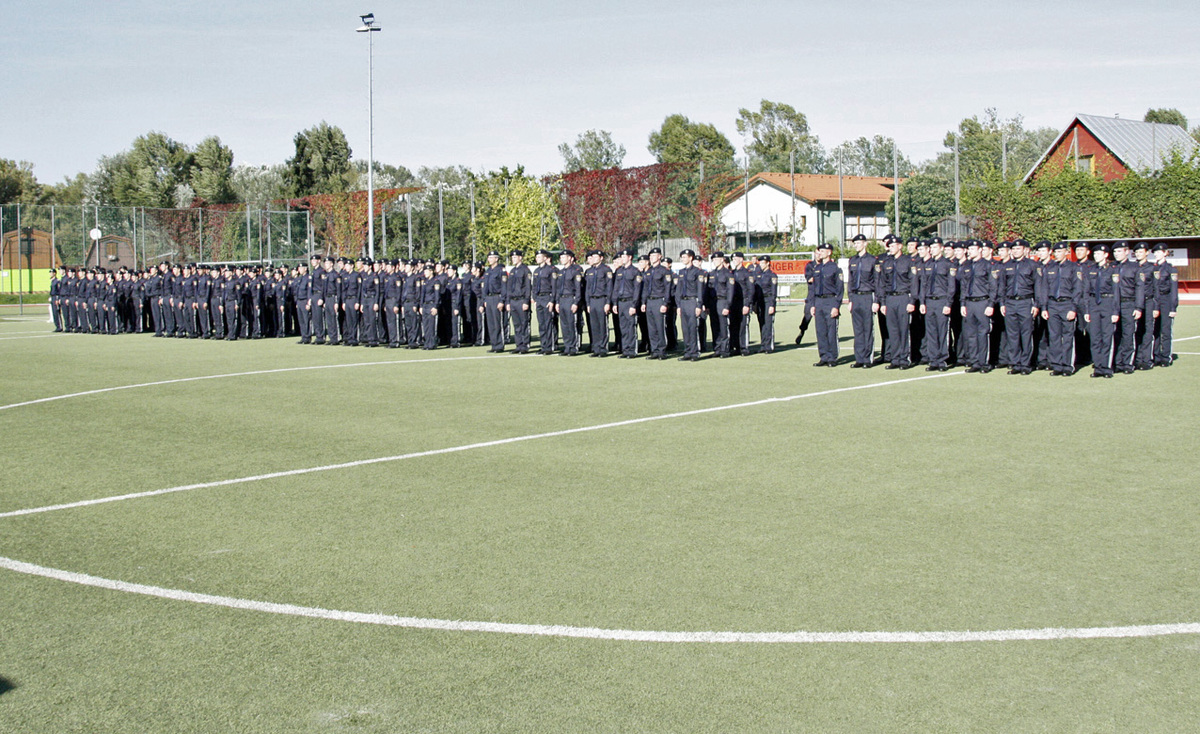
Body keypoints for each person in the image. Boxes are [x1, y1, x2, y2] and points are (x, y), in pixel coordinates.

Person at [1036, 241, 1082, 376]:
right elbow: (1044, 288)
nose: (1057, 254)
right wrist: (1044, 307)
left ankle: (1068, 365)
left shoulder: (1074, 268)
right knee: (1054, 336)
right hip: (1052, 304)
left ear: (1066, 252)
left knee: (1067, 336)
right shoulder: (1051, 267)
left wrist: (1073, 308)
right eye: (1055, 252)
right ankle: (1057, 365)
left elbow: (1077, 289)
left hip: (1067, 304)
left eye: (1060, 252)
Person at [997, 239, 1038, 374]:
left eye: (1018, 249)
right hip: (1010, 303)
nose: (1015, 251)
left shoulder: (1032, 265)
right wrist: (1002, 303)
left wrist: (1036, 304)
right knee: (1012, 335)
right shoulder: (1006, 265)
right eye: (1013, 249)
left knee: (1026, 334)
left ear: (1025, 250)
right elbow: (1002, 286)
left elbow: (1038, 286)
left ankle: (1026, 364)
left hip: (1025, 302)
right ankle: (1015, 363)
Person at [876, 236, 917, 369]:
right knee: (892, 330)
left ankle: (905, 359)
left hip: (903, 297)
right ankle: (895, 359)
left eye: (893, 245)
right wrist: (883, 302)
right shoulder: (886, 262)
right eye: (889, 246)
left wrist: (912, 301)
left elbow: (913, 283)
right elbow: (882, 284)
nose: (890, 248)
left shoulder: (908, 261)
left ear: (900, 246)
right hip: (890, 299)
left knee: (903, 329)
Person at [915, 238, 955, 371]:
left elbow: (951, 286)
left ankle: (942, 359)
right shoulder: (928, 264)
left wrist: (948, 303)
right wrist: (922, 302)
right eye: (931, 248)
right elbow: (924, 285)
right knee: (931, 331)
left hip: (942, 300)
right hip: (929, 301)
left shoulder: (948, 264)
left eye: (935, 247)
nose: (932, 250)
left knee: (942, 331)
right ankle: (933, 360)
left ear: (942, 248)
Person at [957, 240, 996, 373]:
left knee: (983, 333)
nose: (970, 251)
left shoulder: (988, 265)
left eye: (973, 249)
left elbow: (993, 286)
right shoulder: (966, 265)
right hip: (969, 303)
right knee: (971, 334)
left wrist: (991, 304)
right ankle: (974, 362)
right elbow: (963, 286)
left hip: (982, 302)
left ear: (980, 249)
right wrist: (962, 304)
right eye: (969, 249)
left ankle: (984, 362)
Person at [1083, 242, 1120, 378]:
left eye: (1099, 253)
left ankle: (1106, 367)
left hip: (1107, 303)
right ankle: (1098, 367)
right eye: (1095, 253)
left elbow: (1116, 292)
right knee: (1095, 337)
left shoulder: (1112, 269)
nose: (1096, 255)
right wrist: (1087, 310)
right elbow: (1086, 291)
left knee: (1107, 337)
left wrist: (1115, 311)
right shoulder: (1090, 269)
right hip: (1093, 304)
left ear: (1106, 255)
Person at [1111, 241, 1144, 374]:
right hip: (1113, 305)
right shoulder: (1112, 267)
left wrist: (1138, 307)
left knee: (1128, 334)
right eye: (1115, 252)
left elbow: (1140, 288)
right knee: (1115, 334)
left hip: (1129, 303)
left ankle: (1127, 363)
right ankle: (1117, 362)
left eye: (1119, 251)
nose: (1117, 254)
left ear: (1127, 252)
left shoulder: (1135, 267)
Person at [845, 234, 877, 368]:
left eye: (858, 243)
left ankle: (867, 358)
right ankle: (859, 358)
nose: (856, 245)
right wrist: (850, 299)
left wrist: (876, 301)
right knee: (857, 330)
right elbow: (851, 281)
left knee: (867, 328)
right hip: (856, 297)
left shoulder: (872, 260)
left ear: (865, 244)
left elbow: (877, 281)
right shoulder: (853, 260)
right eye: (855, 243)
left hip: (867, 296)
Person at [808, 242, 841, 366]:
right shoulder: (817, 268)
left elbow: (839, 289)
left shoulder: (835, 268)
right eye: (819, 251)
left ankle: (832, 357)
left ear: (829, 252)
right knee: (820, 331)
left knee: (831, 331)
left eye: (822, 251)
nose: (820, 253)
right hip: (818, 301)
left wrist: (836, 306)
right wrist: (812, 304)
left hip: (830, 300)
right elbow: (813, 288)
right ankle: (824, 356)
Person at [673, 248, 706, 361]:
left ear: (691, 258)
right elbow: (678, 290)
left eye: (684, 257)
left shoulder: (698, 272)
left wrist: (699, 305)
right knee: (685, 328)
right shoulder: (681, 272)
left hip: (693, 301)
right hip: (683, 302)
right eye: (682, 257)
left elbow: (700, 290)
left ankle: (694, 352)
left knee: (693, 328)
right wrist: (678, 305)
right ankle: (687, 352)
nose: (683, 259)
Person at [642, 247, 673, 359]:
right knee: (652, 328)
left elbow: (667, 288)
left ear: (660, 256)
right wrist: (643, 302)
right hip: (650, 301)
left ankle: (662, 351)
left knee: (660, 327)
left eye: (654, 255)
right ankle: (654, 351)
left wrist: (665, 303)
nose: (651, 258)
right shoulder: (648, 271)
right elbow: (645, 289)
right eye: (650, 256)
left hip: (659, 301)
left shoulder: (664, 271)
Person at [611, 249, 643, 358]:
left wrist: (634, 305)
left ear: (630, 257)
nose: (622, 259)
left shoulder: (635, 271)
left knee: (631, 327)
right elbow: (615, 289)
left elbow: (637, 290)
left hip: (630, 302)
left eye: (624, 257)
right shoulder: (620, 271)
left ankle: (632, 351)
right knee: (623, 327)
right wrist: (614, 303)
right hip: (621, 302)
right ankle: (625, 350)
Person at [1151, 243, 1179, 367]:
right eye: (1155, 252)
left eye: (1159, 252)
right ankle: (1156, 356)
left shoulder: (1171, 269)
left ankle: (1166, 357)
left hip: (1166, 299)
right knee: (1155, 330)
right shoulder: (1153, 268)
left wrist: (1173, 307)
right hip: (1155, 300)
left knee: (1166, 330)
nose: (1157, 254)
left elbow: (1174, 289)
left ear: (1165, 253)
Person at [1132, 241, 1156, 370]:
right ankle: (1136, 358)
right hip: (1135, 302)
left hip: (1148, 301)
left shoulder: (1152, 268)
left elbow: (1156, 289)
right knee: (1135, 331)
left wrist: (1156, 307)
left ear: (1146, 252)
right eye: (1136, 252)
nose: (1138, 254)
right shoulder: (1133, 267)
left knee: (1147, 331)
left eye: (1141, 252)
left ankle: (1146, 360)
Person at [583, 250, 613, 357]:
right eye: (593, 257)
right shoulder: (589, 271)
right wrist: (588, 304)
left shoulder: (606, 270)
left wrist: (608, 302)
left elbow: (609, 288)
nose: (594, 258)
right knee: (594, 326)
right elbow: (587, 289)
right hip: (592, 301)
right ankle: (596, 348)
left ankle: (603, 349)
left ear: (601, 258)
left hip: (602, 300)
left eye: (596, 257)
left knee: (602, 325)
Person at [555, 250, 584, 356]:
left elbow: (578, 289)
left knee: (572, 324)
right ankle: (567, 347)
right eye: (561, 257)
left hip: (570, 299)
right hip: (562, 300)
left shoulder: (575, 271)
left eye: (564, 257)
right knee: (564, 325)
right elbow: (558, 289)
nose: (562, 259)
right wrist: (557, 302)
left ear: (570, 258)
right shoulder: (561, 272)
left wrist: (576, 302)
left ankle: (573, 347)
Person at [505, 250, 533, 354]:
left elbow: (528, 287)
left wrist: (526, 301)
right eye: (512, 257)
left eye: (515, 257)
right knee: (516, 325)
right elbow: (508, 288)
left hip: (521, 300)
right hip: (513, 301)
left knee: (524, 324)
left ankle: (525, 345)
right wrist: (508, 302)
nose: (513, 259)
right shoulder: (512, 271)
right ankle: (518, 345)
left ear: (520, 258)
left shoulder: (525, 270)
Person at [532, 249, 558, 354]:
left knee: (548, 324)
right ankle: (544, 346)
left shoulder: (551, 270)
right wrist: (535, 298)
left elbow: (554, 287)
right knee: (541, 324)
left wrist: (552, 300)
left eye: (539, 256)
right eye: (536, 256)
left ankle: (550, 346)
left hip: (547, 298)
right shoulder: (536, 271)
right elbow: (534, 287)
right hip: (539, 299)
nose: (537, 258)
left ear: (545, 258)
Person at [480, 251, 507, 352]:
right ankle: (494, 344)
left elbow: (504, 286)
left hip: (497, 297)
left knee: (497, 323)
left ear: (496, 259)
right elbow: (485, 287)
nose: (489, 259)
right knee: (491, 323)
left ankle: (500, 345)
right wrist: (484, 300)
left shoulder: (501, 270)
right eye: (488, 257)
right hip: (489, 298)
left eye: (491, 257)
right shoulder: (488, 271)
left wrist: (502, 300)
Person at [756, 255, 778, 354]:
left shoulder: (772, 275)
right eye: (760, 263)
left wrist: (772, 305)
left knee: (768, 324)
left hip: (768, 300)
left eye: (762, 263)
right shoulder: (759, 274)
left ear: (768, 263)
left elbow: (774, 291)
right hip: (760, 301)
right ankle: (763, 344)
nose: (761, 265)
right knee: (762, 324)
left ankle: (769, 346)